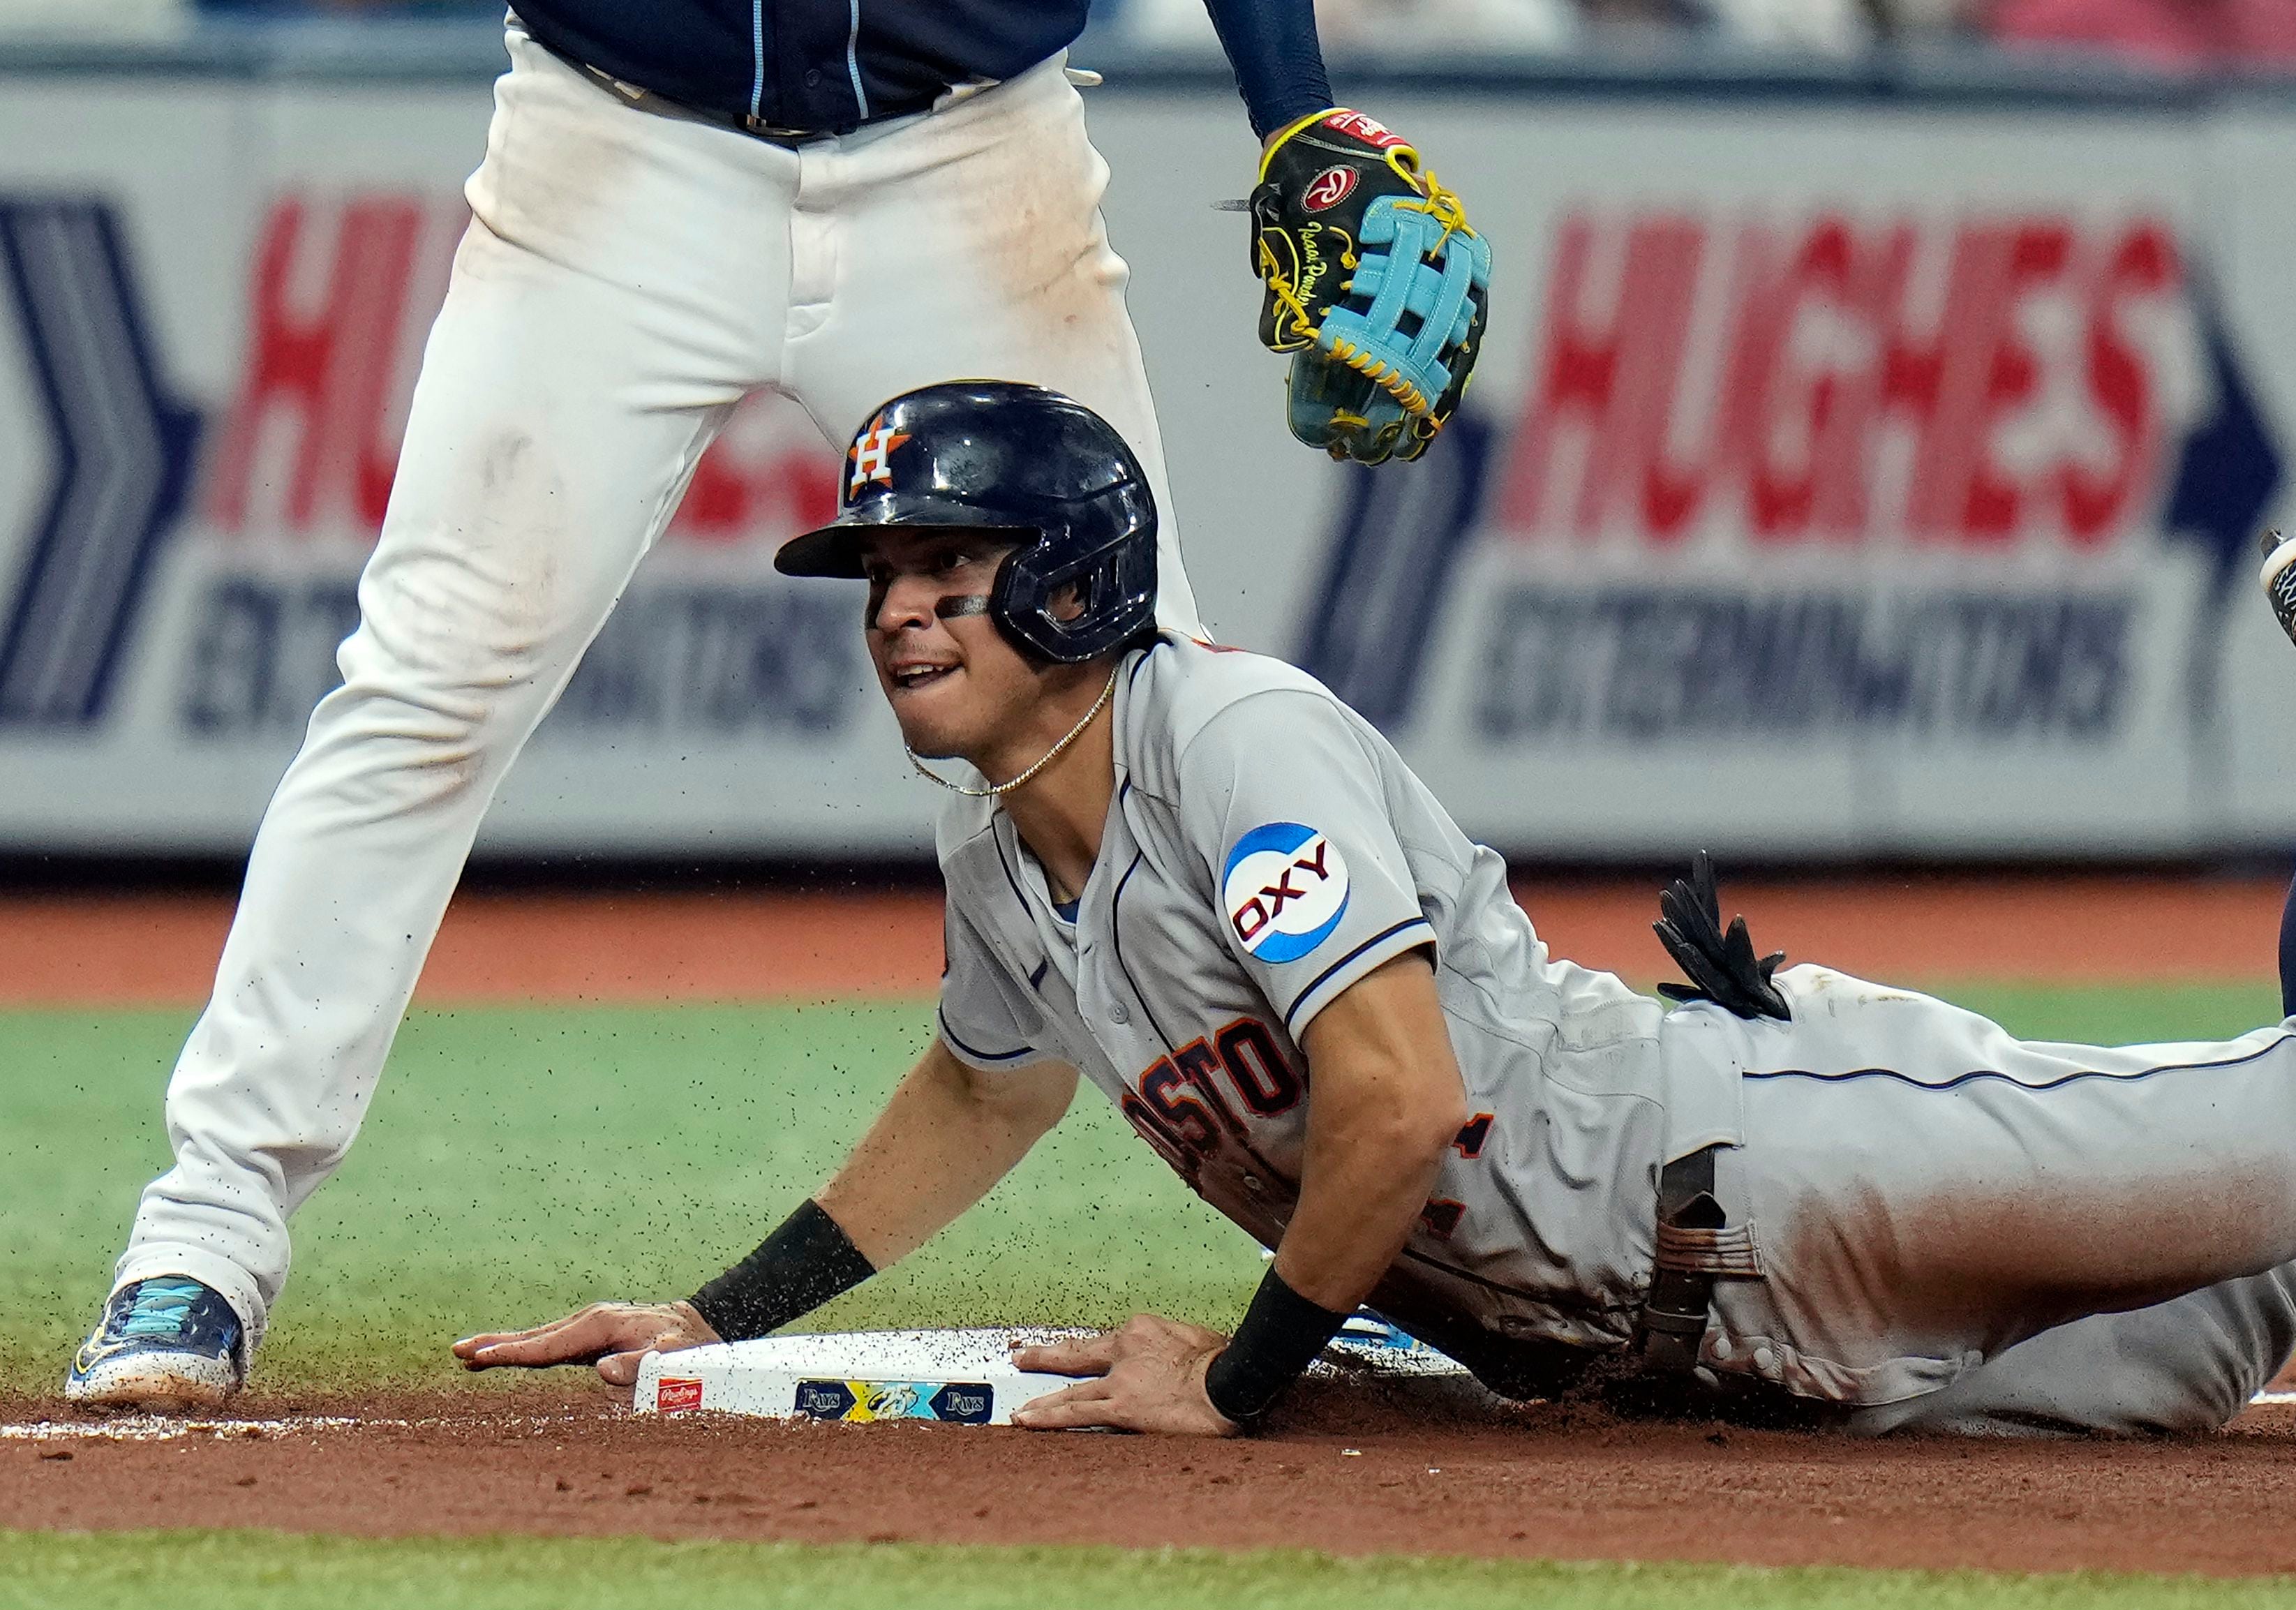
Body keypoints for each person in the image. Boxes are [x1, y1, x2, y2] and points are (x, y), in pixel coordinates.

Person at [455, 380, 2296, 1436]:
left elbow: (1389, 1110)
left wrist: (1251, 1376)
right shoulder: (1012, 843)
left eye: (943, 562)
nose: (894, 606)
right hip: (1689, 1342)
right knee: (2202, 1345)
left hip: (1765, 1170)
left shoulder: (1236, 744)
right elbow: (982, 1089)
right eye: (877, 572)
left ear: (1076, 575)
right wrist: (713, 1305)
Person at [70, 0, 1490, 1410]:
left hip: (969, 149)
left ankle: (1366, 1253)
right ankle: (208, 1233)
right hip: (616, 146)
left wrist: (1291, 100)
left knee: (1139, 699)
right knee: (427, 677)